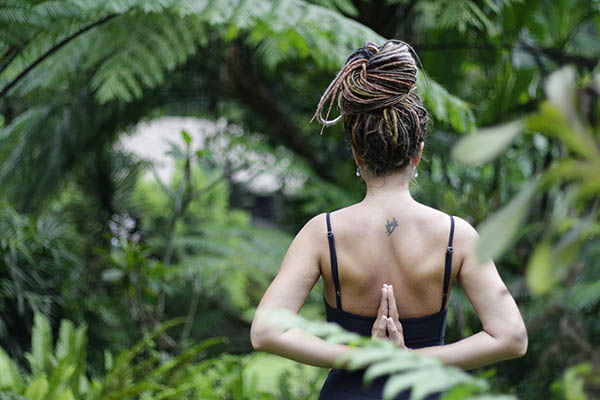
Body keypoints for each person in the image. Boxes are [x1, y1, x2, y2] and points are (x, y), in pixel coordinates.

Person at [250, 40, 528, 399]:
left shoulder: (324, 233)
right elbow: (512, 337)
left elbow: (266, 332)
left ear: (355, 151)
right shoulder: (457, 236)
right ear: (418, 154)